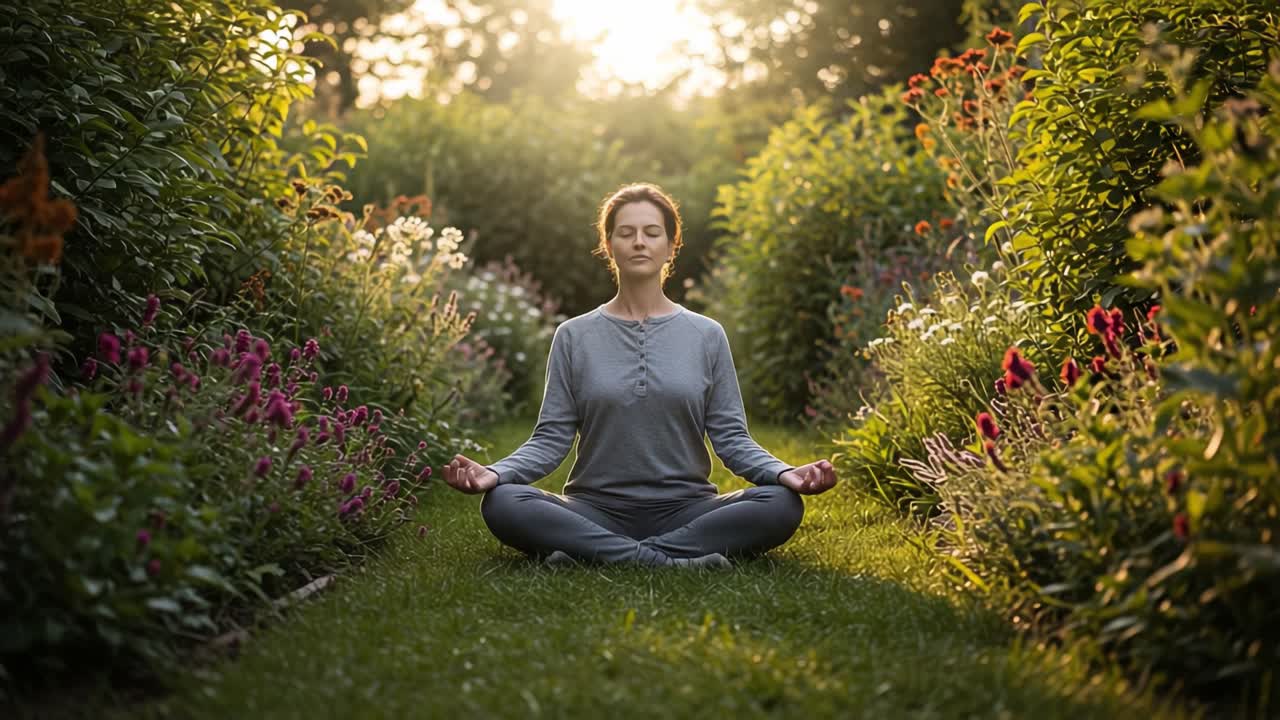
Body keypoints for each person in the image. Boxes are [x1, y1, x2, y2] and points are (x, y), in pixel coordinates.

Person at [441, 182, 838, 568]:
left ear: (671, 247)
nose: (639, 242)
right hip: (594, 509)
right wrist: (494, 474)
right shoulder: (574, 336)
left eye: (652, 233)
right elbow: (550, 439)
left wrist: (785, 473)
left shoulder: (707, 335)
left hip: (688, 509)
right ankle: (669, 559)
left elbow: (732, 439)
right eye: (626, 233)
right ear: (608, 245)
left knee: (781, 503)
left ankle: (592, 553)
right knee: (504, 502)